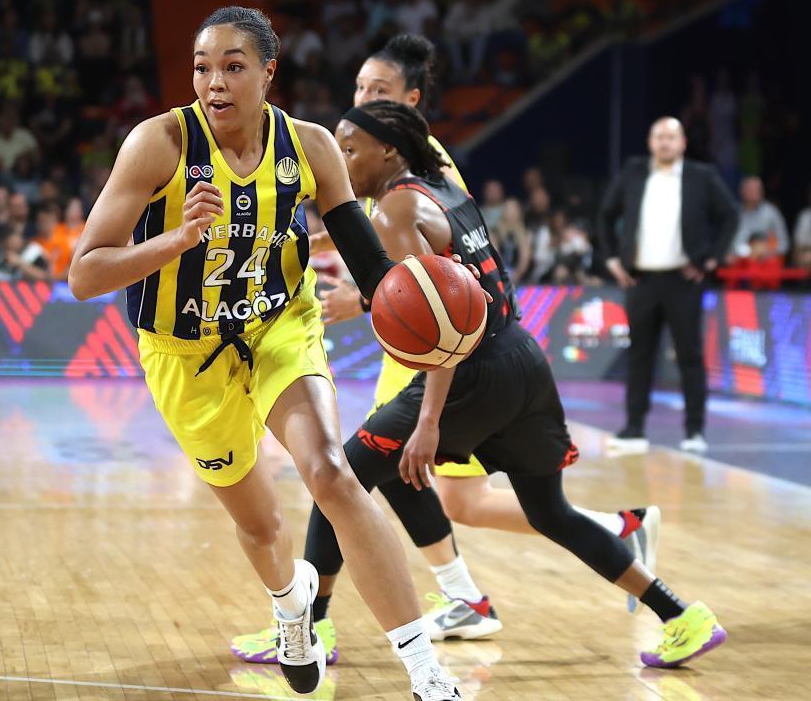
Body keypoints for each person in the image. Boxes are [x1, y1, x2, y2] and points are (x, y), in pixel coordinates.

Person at [69, 7, 461, 700]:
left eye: (232, 66)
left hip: (279, 327)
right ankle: (290, 605)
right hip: (183, 352)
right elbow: (85, 274)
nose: (212, 82)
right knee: (261, 527)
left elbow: (374, 272)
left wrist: (429, 302)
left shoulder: (310, 147)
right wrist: (176, 242)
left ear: (268, 74)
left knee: (333, 474)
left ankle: (426, 671)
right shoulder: (158, 143)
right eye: (201, 66)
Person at [232, 36, 653, 666]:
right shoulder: (397, 172)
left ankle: (323, 626)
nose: (362, 102)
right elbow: (359, 228)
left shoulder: (416, 182)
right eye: (359, 89)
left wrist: (365, 302)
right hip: (479, 352)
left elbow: (428, 288)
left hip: (448, 357)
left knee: (366, 479)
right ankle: (474, 593)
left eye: (377, 94)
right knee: (413, 483)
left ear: (406, 107)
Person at [311, 99, 727, 670]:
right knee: (550, 512)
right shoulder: (443, 191)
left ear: (388, 149)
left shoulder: (395, 213)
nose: (339, 157)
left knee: (338, 477)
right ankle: (682, 615)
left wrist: (429, 421)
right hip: (522, 360)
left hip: (468, 372)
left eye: (350, 147)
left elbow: (440, 328)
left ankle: (310, 631)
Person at [599, 117, 738, 454]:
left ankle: (694, 430)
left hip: (683, 280)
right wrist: (613, 260)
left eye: (671, 137)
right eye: (659, 136)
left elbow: (730, 215)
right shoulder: (634, 172)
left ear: (683, 143)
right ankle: (634, 428)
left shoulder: (700, 176)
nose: (664, 143)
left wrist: (711, 260)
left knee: (689, 356)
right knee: (639, 356)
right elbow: (605, 214)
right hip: (641, 279)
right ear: (650, 142)